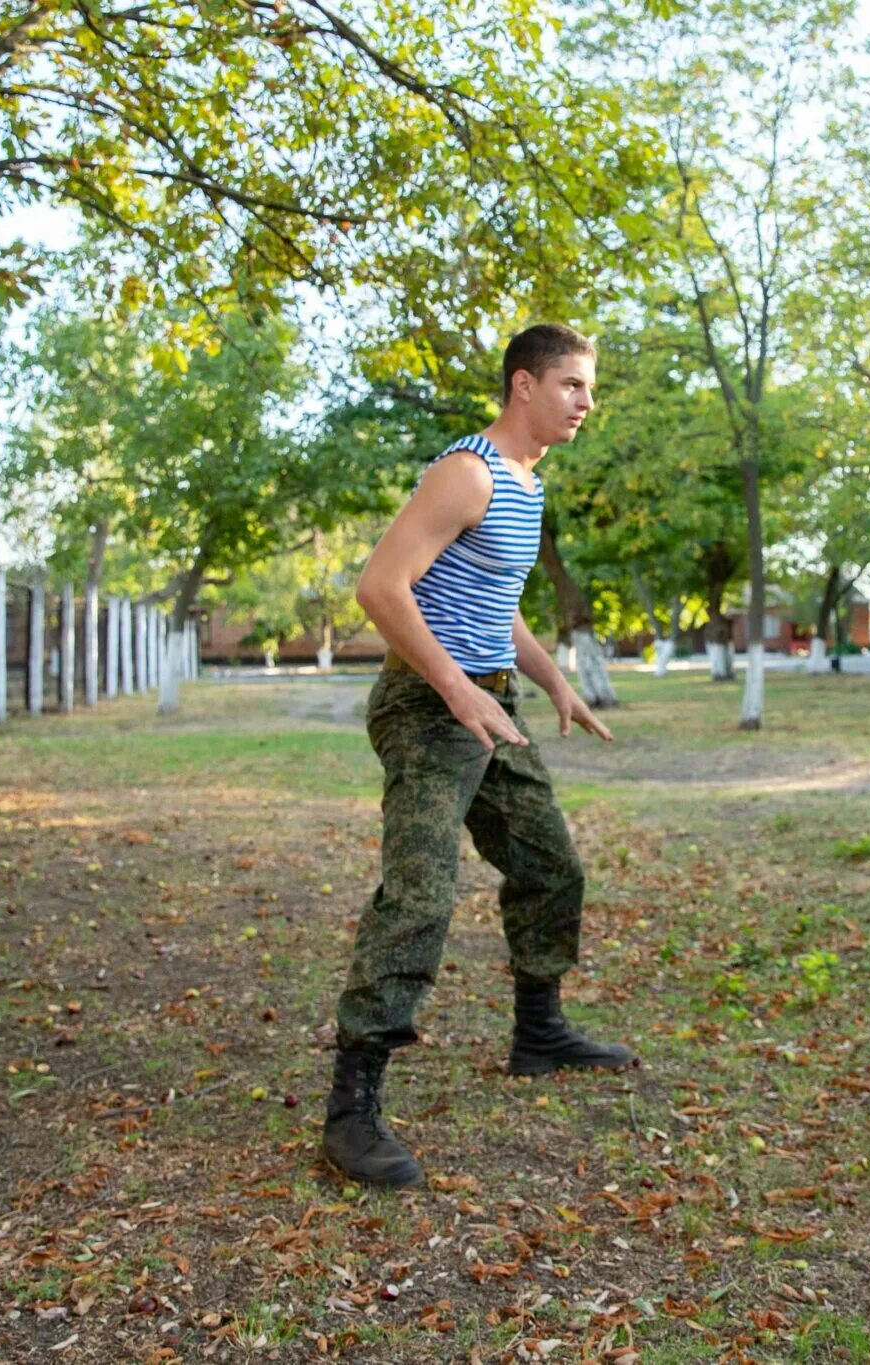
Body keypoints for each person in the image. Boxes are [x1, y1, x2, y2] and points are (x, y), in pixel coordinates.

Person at [322, 323, 633, 1191]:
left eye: (590, 389)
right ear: (523, 385)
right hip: (430, 705)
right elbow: (380, 586)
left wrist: (554, 681)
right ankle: (351, 1107)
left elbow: (499, 605)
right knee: (420, 892)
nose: (585, 402)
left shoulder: (526, 484)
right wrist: (458, 691)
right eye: (572, 384)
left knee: (551, 865)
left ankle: (539, 1032)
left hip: (488, 699)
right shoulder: (467, 472)